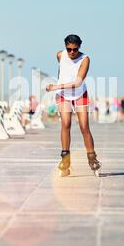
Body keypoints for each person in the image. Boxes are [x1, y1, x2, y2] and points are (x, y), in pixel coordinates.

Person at [46, 35, 101, 177]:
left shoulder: (85, 59)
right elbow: (62, 69)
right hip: (63, 94)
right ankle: (65, 161)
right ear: (65, 47)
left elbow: (77, 82)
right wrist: (59, 85)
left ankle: (92, 158)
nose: (71, 52)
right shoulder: (60, 55)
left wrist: (56, 86)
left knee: (84, 126)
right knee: (66, 123)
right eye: (68, 49)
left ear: (79, 47)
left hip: (79, 93)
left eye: (74, 49)